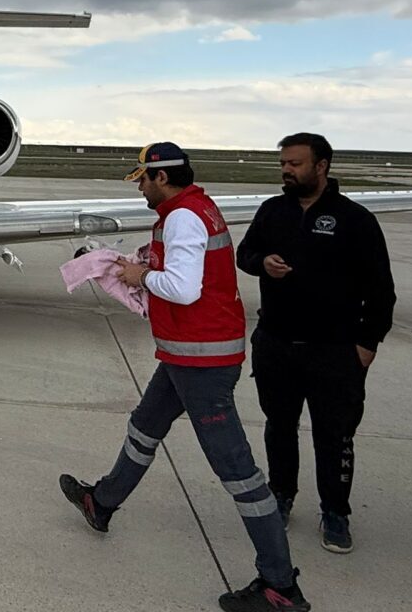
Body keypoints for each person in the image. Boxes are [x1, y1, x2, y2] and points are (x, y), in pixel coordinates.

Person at [60, 143, 311, 612]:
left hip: (202, 362)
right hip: (186, 354)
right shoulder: (194, 208)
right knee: (144, 427)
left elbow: (183, 287)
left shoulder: (182, 217)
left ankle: (280, 587)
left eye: (142, 179)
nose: (139, 187)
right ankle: (102, 502)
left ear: (161, 177)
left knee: (238, 473)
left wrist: (139, 276)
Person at [236, 132, 394, 555]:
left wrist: (367, 344)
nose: (286, 170)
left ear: (321, 166)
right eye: (283, 164)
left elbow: (381, 290)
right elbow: (244, 254)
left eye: (295, 163)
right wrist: (262, 263)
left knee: (335, 435)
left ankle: (336, 512)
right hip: (277, 343)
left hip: (334, 350)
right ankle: (281, 495)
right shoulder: (273, 211)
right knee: (279, 426)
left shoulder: (355, 219)